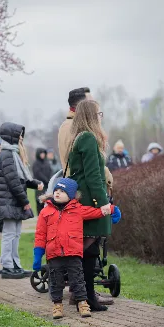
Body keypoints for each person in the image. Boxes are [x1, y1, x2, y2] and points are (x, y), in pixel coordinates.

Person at [33, 178, 121, 319]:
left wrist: (111, 209)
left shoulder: (77, 210)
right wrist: (38, 255)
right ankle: (57, 306)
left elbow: (96, 212)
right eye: (56, 190)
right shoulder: (46, 212)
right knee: (55, 281)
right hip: (54, 254)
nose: (57, 193)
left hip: (73, 253)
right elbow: (40, 234)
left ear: (71, 195)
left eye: (62, 191)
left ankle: (82, 303)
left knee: (78, 280)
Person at [57, 88, 114, 306]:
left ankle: (84, 295)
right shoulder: (89, 139)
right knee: (88, 251)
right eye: (99, 115)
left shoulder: (80, 137)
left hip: (85, 197)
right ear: (92, 117)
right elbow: (93, 176)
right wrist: (103, 204)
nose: (100, 118)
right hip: (91, 199)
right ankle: (86, 296)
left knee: (86, 250)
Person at [0, 122, 43, 279]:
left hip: (13, 200)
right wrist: (24, 201)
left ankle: (15, 264)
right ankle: (7, 266)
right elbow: (13, 181)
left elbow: (22, 179)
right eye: (19, 134)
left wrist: (35, 184)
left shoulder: (13, 153)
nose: (21, 137)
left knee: (15, 234)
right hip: (9, 201)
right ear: (11, 135)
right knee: (9, 234)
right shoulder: (7, 154)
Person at [32, 148, 52, 215]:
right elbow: (37, 174)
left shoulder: (47, 162)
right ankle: (40, 217)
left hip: (47, 186)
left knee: (47, 202)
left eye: (44, 153)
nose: (42, 155)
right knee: (40, 202)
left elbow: (50, 171)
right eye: (41, 153)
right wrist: (45, 180)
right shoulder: (36, 163)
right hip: (39, 186)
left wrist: (49, 180)